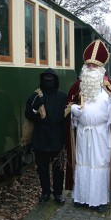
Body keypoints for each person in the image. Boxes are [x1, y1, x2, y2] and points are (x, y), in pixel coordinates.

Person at [65, 39, 111, 213]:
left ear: (101, 68)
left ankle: (100, 200)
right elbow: (68, 110)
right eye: (89, 65)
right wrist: (74, 112)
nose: (91, 68)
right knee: (83, 164)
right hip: (84, 134)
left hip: (101, 134)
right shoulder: (78, 86)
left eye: (94, 65)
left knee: (100, 165)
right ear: (85, 66)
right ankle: (81, 197)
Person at [25, 68, 67, 205]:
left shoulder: (62, 97)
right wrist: (36, 110)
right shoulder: (36, 97)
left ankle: (58, 193)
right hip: (41, 137)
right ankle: (45, 192)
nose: (48, 81)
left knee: (58, 169)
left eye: (51, 78)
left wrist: (66, 139)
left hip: (57, 137)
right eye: (46, 78)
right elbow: (28, 115)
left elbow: (67, 119)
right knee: (42, 168)